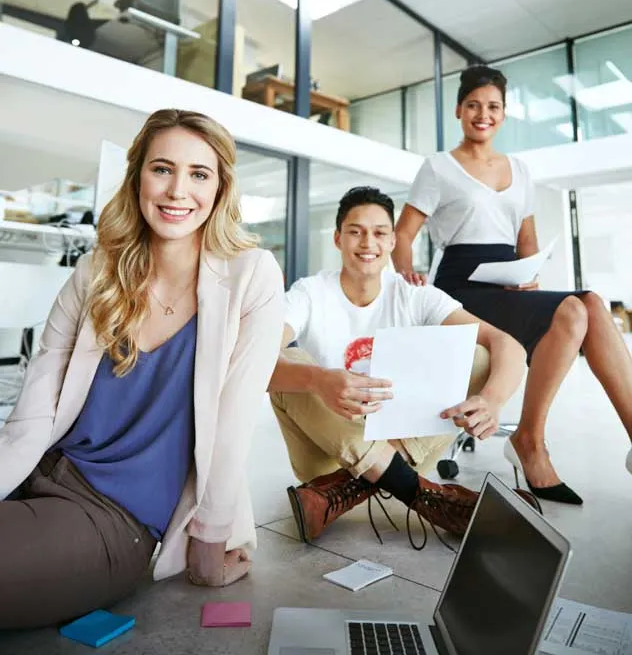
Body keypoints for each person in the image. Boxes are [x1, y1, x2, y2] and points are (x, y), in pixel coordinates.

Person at [0, 109, 284, 629]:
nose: (178, 190)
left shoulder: (252, 276)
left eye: (199, 174)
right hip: (39, 473)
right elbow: (34, 408)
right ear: (137, 178)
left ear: (220, 187)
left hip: (111, 518)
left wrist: (209, 540)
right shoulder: (96, 271)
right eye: (162, 169)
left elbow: (233, 423)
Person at [392, 65, 632, 505]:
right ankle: (530, 442)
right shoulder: (438, 168)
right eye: (474, 106)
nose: (484, 114)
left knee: (589, 305)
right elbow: (403, 234)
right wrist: (407, 272)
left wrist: (529, 275)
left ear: (504, 114)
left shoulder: (520, 170)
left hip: (508, 284)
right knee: (578, 308)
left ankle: (545, 437)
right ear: (460, 111)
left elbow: (526, 240)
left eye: (493, 107)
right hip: (461, 287)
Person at [268, 186, 533, 547]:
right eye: (355, 231)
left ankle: (343, 491)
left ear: (393, 241)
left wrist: (493, 399)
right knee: (287, 362)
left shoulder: (414, 295)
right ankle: (426, 497)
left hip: (405, 446)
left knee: (481, 355)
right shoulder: (309, 293)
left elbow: (507, 346)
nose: (367, 242)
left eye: (379, 232)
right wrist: (317, 380)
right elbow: (254, 357)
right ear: (337, 238)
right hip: (327, 454)